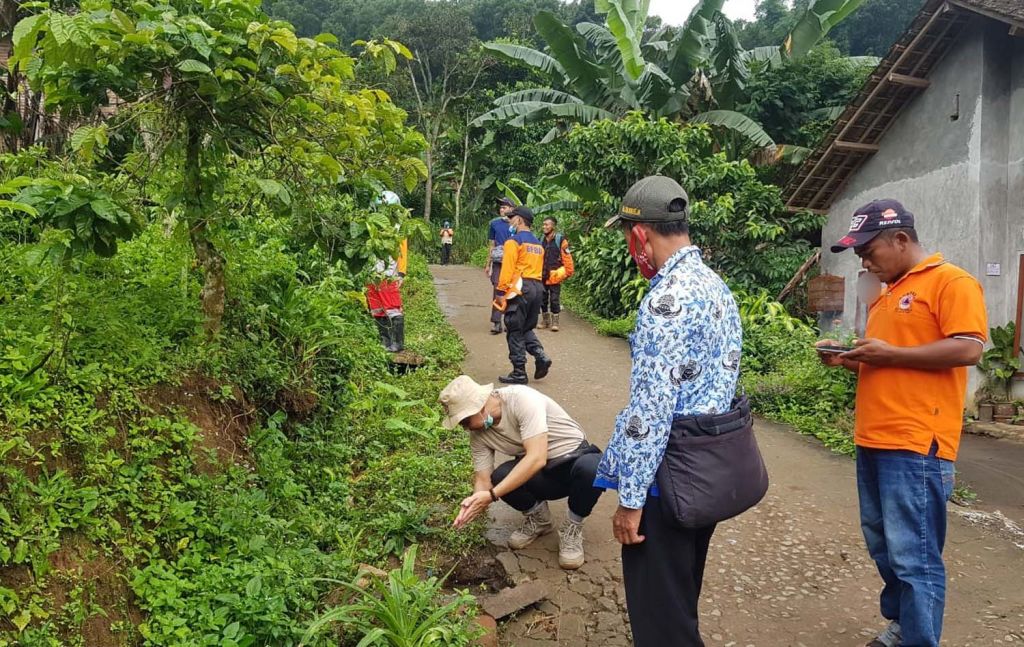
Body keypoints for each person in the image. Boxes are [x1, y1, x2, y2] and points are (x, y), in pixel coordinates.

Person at [817, 199, 987, 647]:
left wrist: (889, 354)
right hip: (873, 437)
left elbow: (969, 348)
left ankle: (918, 639)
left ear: (901, 239)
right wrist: (850, 360)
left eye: (868, 251)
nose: (864, 261)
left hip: (916, 444)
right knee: (882, 544)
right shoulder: (887, 290)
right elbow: (891, 362)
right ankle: (902, 624)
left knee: (915, 556)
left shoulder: (951, 282)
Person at [594, 176, 742, 647]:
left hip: (668, 478)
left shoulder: (666, 299)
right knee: (680, 596)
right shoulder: (716, 286)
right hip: (708, 468)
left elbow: (650, 412)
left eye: (626, 237)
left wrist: (631, 500)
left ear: (640, 235)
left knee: (661, 619)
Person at [439, 374, 603, 569]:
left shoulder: (521, 399)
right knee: (499, 477)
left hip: (572, 462)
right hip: (543, 473)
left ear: (478, 408)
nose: (464, 428)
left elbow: (536, 457)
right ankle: (540, 520)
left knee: (592, 469)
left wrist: (492, 495)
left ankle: (572, 528)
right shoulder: (479, 435)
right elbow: (483, 480)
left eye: (464, 422)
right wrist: (473, 505)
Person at [494, 206, 552, 385]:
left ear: (519, 220)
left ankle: (519, 371)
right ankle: (540, 355)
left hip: (520, 288)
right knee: (526, 328)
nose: (510, 221)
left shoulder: (514, 241)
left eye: (512, 218)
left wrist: (500, 292)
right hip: (537, 288)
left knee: (514, 329)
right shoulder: (537, 243)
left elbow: (508, 269)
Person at [365, 190, 408, 352]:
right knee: (376, 309)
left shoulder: (399, 228)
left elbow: (403, 252)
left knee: (392, 309)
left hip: (389, 275)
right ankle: (384, 340)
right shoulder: (370, 225)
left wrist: (401, 273)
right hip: (372, 274)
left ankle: (398, 343)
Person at [537, 216, 574, 332]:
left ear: (553, 226)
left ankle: (555, 322)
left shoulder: (561, 240)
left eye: (547, 224)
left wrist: (567, 273)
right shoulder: (541, 239)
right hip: (542, 274)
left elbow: (567, 259)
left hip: (555, 276)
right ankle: (545, 320)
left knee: (554, 299)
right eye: (543, 224)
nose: (544, 227)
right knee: (542, 298)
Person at [485, 197, 515, 334]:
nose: (501, 209)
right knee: (498, 290)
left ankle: (510, 321)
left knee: (512, 291)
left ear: (511, 209)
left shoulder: (517, 224)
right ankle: (497, 322)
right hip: (498, 263)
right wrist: (488, 264)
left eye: (504, 207)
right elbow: (491, 245)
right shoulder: (494, 224)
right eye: (500, 207)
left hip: (513, 263)